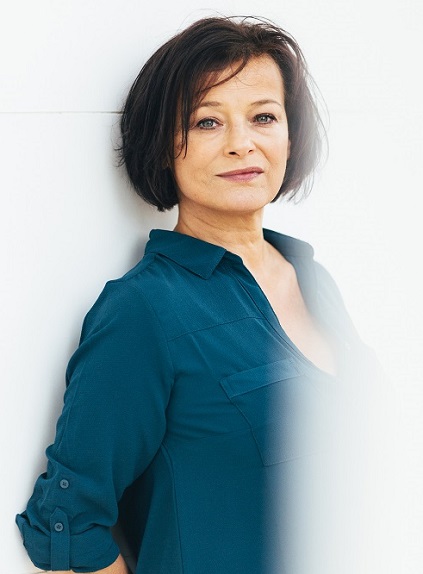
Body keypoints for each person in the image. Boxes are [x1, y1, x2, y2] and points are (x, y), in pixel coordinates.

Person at [16, 15, 376, 574]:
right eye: (207, 122)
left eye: (263, 117)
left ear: (291, 134)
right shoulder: (145, 310)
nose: (241, 144)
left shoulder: (311, 276)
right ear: (164, 146)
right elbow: (65, 523)